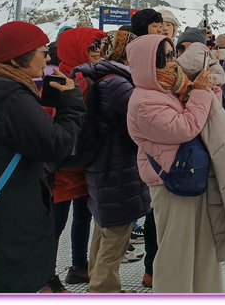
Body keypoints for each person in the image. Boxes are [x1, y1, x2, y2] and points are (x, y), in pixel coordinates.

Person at [0, 21, 86, 293]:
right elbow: (57, 146)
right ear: (16, 59)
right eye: (42, 52)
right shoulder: (12, 99)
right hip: (8, 219)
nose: (48, 58)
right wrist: (71, 101)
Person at [126, 34, 221, 292]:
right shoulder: (144, 101)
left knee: (201, 248)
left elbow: (202, 118)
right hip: (170, 183)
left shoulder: (171, 87)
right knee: (176, 253)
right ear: (149, 64)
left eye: (172, 54)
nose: (174, 61)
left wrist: (207, 90)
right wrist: (200, 92)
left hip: (188, 176)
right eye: (166, 57)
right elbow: (186, 128)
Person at [75, 29, 150, 293]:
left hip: (104, 165)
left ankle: (97, 281)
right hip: (115, 167)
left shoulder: (103, 76)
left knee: (105, 229)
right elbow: (144, 113)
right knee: (116, 236)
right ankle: (105, 290)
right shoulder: (117, 83)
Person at [52, 27, 107, 285]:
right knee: (57, 222)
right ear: (76, 49)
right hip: (63, 164)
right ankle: (46, 277)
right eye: (91, 47)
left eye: (98, 47)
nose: (97, 52)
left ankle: (78, 266)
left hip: (83, 159)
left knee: (83, 216)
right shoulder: (57, 77)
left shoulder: (88, 75)